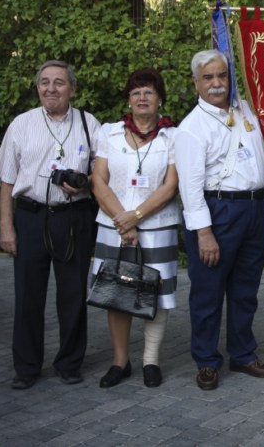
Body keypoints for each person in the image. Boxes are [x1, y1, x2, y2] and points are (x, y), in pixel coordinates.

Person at [0, 60, 101, 389]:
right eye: (44, 82)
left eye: (58, 82)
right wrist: (6, 226)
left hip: (74, 217)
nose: (50, 88)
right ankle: (27, 367)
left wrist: (85, 182)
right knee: (28, 296)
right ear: (38, 87)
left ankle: (69, 363)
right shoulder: (22, 124)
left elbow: (104, 173)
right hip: (30, 217)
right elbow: (7, 180)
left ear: (72, 88)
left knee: (73, 295)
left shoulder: (89, 123)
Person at [175, 50, 264, 391]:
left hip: (254, 209)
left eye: (222, 75)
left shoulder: (245, 109)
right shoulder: (191, 129)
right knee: (208, 291)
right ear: (196, 83)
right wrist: (203, 232)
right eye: (208, 77)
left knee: (246, 290)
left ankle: (243, 354)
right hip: (218, 213)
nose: (217, 83)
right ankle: (206, 360)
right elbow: (189, 188)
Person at [90, 68, 179, 388]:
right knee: (116, 290)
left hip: (157, 227)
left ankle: (150, 360)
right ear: (128, 99)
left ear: (160, 99)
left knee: (157, 292)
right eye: (136, 92)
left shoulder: (173, 136)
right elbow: (98, 180)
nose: (142, 97)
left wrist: (137, 216)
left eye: (149, 92)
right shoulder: (109, 133)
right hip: (113, 226)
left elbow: (171, 185)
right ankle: (120, 361)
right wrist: (122, 220)